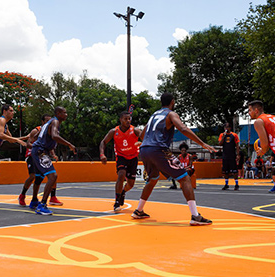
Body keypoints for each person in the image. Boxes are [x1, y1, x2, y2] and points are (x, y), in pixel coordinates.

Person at [131, 93, 217, 226]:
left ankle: (138, 210)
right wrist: (202, 144)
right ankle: (195, 216)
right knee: (185, 178)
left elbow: (143, 134)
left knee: (153, 178)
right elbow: (182, 128)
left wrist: (144, 142)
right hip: (158, 150)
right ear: (172, 101)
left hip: (145, 150)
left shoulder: (154, 115)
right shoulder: (171, 114)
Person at [30, 106, 76, 215]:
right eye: (64, 113)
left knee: (39, 177)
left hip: (39, 150)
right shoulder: (55, 121)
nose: (66, 115)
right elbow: (55, 136)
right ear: (58, 113)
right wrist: (69, 144)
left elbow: (36, 136)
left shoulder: (47, 123)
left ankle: (34, 201)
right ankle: (42, 205)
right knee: (53, 176)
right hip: (40, 151)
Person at [99, 111, 142, 211]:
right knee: (121, 175)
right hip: (121, 156)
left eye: (129, 119)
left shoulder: (135, 130)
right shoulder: (114, 131)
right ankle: (117, 201)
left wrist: (142, 143)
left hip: (133, 157)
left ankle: (123, 192)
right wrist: (102, 154)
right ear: (120, 120)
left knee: (131, 184)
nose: (128, 121)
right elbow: (103, 142)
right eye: (125, 119)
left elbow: (145, 137)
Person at [18, 114, 63, 208]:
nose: (49, 122)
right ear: (42, 122)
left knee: (44, 176)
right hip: (32, 155)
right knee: (33, 176)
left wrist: (53, 154)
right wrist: (36, 146)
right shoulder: (36, 130)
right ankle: (22, 195)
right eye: (46, 121)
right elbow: (28, 143)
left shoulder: (49, 130)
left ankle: (47, 198)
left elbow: (48, 145)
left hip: (42, 154)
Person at [219, 122, 240, 190]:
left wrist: (238, 155)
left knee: (234, 171)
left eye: (227, 127)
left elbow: (237, 145)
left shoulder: (234, 135)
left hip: (232, 155)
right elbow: (220, 144)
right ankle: (226, 184)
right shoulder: (222, 135)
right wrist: (223, 136)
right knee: (225, 171)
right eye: (225, 127)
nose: (226, 128)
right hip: (225, 155)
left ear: (230, 128)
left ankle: (236, 184)